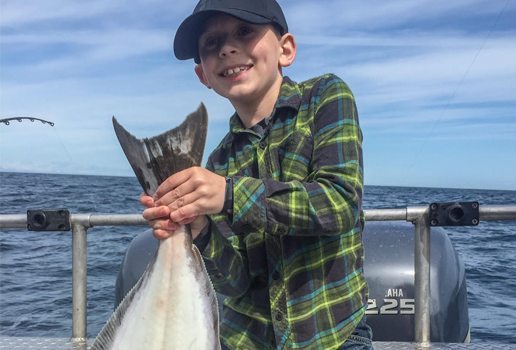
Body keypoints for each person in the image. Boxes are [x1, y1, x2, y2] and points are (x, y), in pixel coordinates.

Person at [140, 0, 372, 348]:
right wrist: (200, 228)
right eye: (211, 44)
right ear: (202, 75)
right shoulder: (218, 162)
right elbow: (235, 283)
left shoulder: (326, 97)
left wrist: (230, 195)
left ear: (286, 49)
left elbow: (339, 204)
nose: (228, 49)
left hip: (333, 336)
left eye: (245, 31)